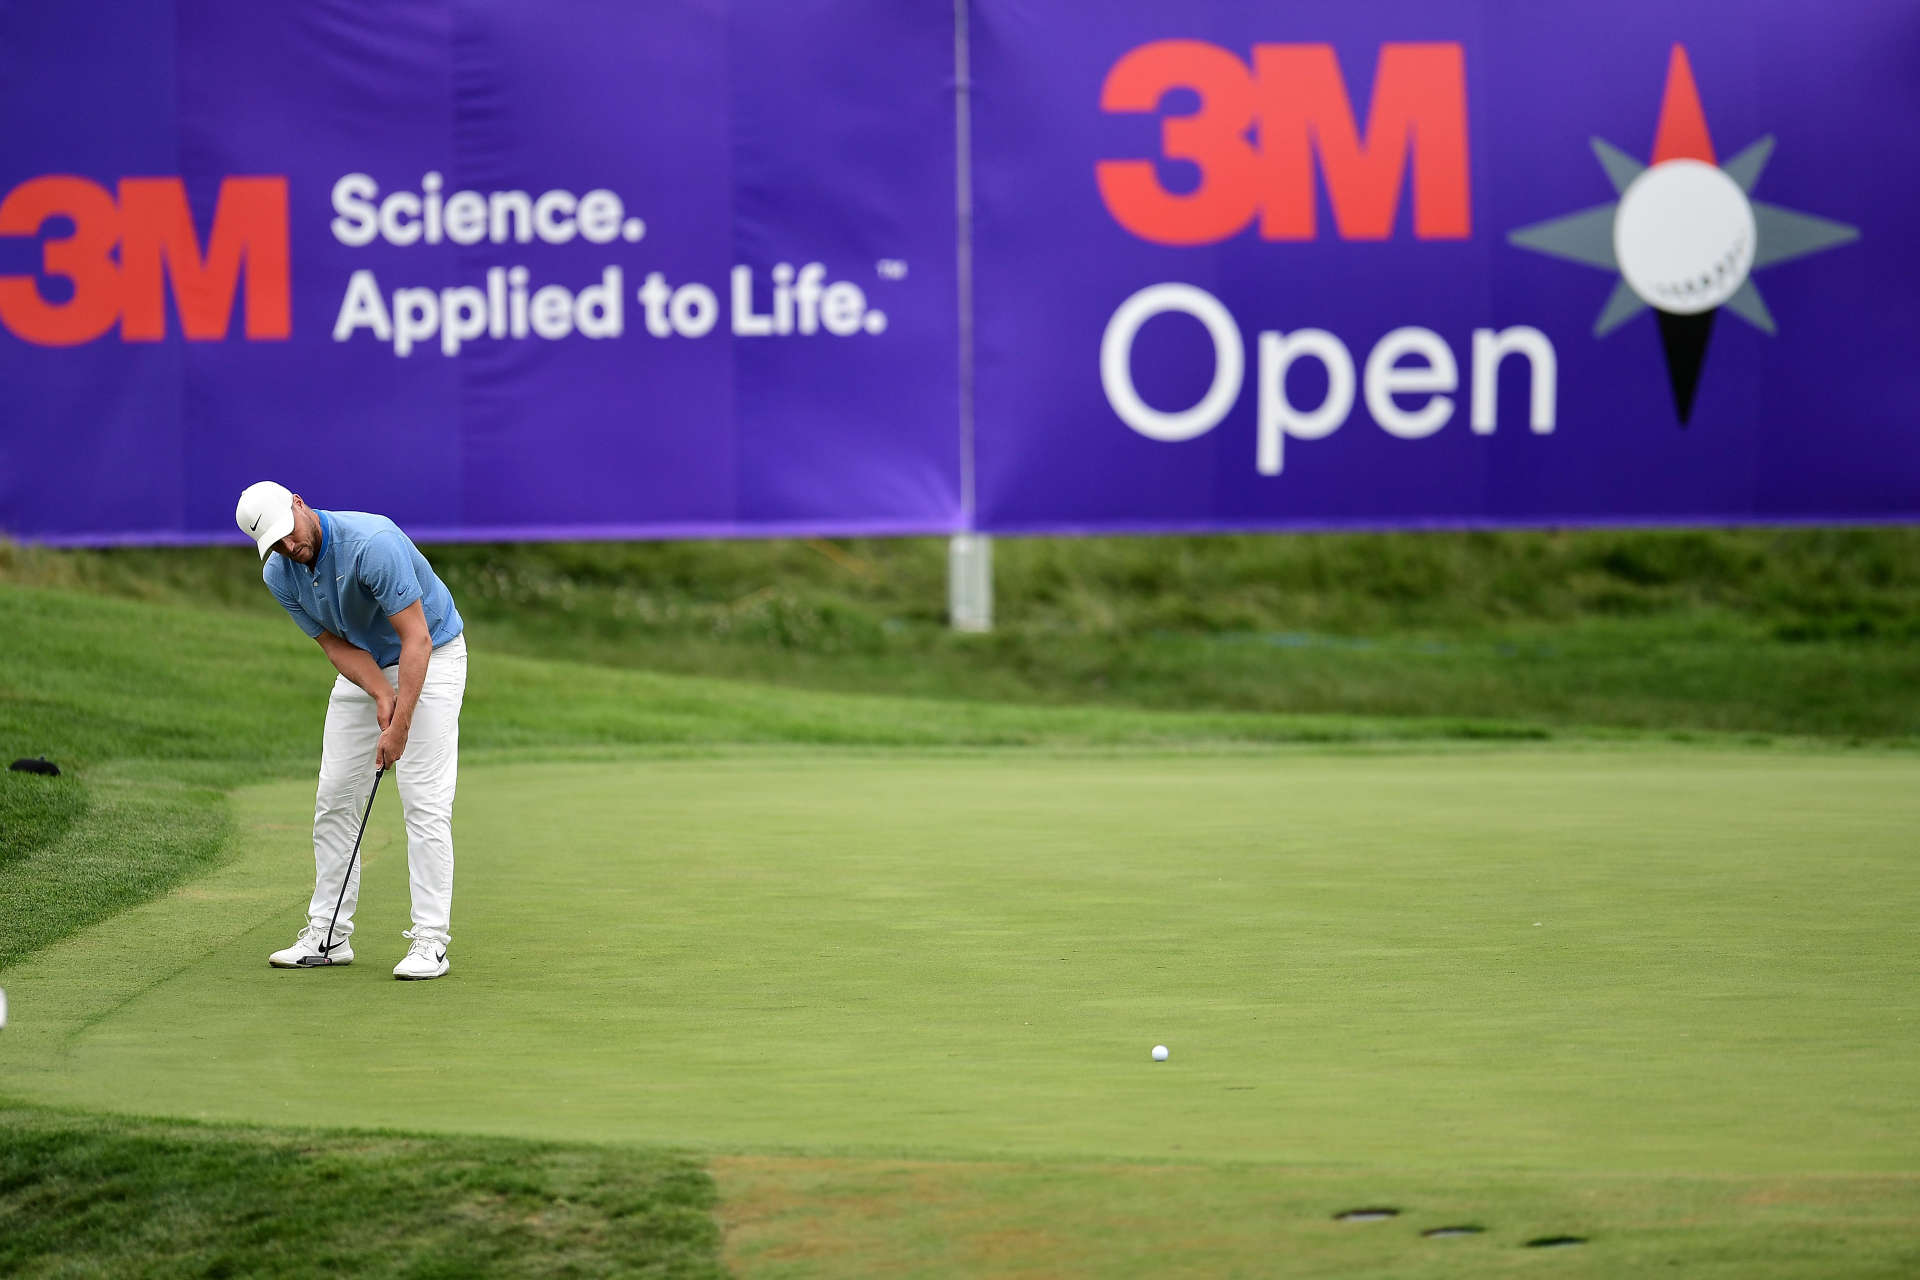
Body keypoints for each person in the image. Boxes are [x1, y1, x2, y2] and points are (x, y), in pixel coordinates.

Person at [235, 481, 468, 980]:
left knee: (423, 799)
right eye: (275, 544)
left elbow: (417, 639)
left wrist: (399, 724)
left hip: (433, 653)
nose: (288, 547)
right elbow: (335, 646)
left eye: (288, 533)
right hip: (367, 665)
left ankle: (431, 942)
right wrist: (381, 695)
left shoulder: (372, 543)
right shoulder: (280, 573)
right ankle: (328, 933)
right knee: (335, 796)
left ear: (299, 503)